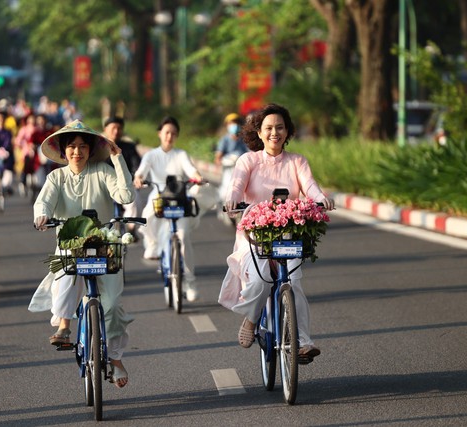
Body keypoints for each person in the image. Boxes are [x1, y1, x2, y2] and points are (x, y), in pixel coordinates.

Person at [219, 103, 335, 363]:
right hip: (254, 236)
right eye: (269, 128)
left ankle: (303, 343)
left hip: (288, 237)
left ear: (287, 131)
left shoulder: (297, 161)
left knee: (293, 284)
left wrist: (320, 199)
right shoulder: (248, 160)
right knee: (260, 281)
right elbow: (236, 186)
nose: (275, 133)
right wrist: (231, 201)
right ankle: (251, 320)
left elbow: (310, 187)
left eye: (280, 127)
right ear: (259, 133)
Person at [31, 119, 134, 389]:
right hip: (70, 245)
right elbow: (44, 200)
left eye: (83, 146)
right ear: (64, 151)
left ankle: (115, 359)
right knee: (64, 277)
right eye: (72, 147)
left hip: (104, 245)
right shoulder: (56, 177)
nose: (77, 152)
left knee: (111, 305)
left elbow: (125, 196)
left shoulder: (102, 171)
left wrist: (118, 159)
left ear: (90, 150)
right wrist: (42, 215)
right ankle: (64, 326)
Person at [133, 116, 203, 302]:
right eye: (166, 133)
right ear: (160, 134)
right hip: (159, 196)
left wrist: (197, 177)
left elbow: (191, 170)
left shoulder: (181, 154)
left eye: (173, 133)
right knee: (147, 217)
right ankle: (154, 244)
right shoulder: (151, 155)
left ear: (177, 135)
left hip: (179, 197)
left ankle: (190, 282)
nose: (169, 136)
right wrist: (139, 179)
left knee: (183, 237)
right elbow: (141, 172)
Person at [103, 116, 142, 238]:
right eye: (113, 128)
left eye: (119, 128)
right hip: (104, 187)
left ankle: (131, 229)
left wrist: (137, 177)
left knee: (134, 201)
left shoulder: (129, 147)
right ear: (105, 129)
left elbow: (137, 166)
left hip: (125, 185)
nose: (116, 131)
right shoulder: (98, 147)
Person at [214, 113, 248, 225]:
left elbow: (250, 153)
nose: (235, 126)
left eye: (236, 123)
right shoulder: (224, 140)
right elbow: (218, 158)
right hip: (229, 171)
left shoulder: (243, 140)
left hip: (242, 172)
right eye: (232, 123)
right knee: (225, 192)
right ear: (227, 125)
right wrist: (226, 161)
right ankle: (223, 208)